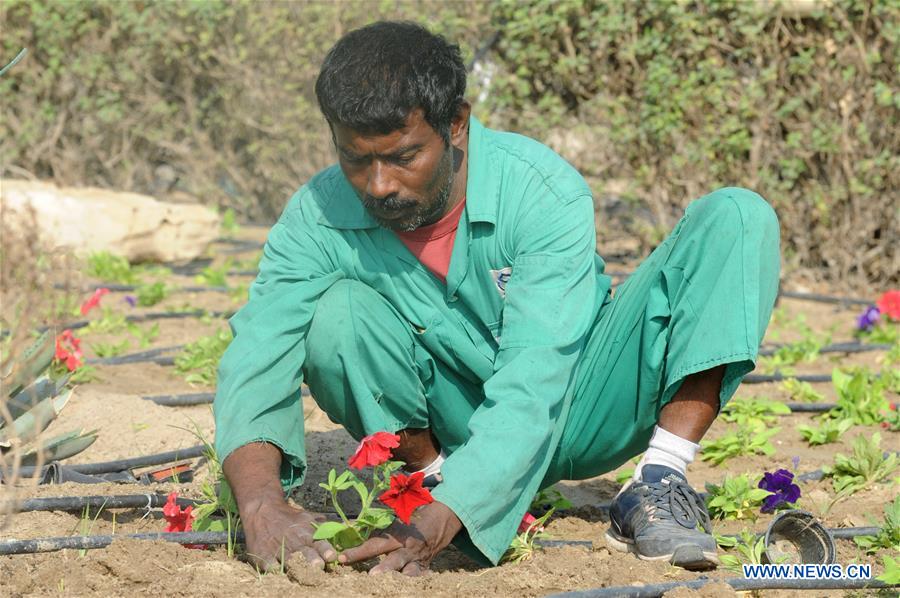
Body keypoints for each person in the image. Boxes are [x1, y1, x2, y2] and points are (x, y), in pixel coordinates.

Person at [213, 21, 780, 576]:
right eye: (356, 159)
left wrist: (459, 508)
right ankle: (432, 479)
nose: (379, 184)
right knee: (334, 318)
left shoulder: (538, 190)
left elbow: (537, 377)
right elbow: (259, 354)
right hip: (452, 426)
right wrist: (262, 505)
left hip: (582, 399)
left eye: (404, 156)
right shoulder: (316, 215)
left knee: (735, 216)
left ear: (455, 124)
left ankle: (661, 478)